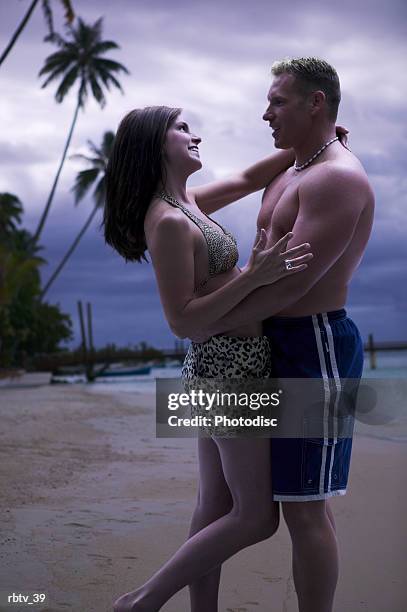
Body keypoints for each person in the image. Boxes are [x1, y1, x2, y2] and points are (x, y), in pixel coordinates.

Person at [182, 57, 375, 612]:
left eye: (278, 102)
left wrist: (205, 322)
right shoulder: (290, 168)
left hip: (311, 345)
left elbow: (295, 285)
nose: (266, 112)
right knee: (221, 498)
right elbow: (217, 192)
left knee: (305, 507)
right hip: (258, 344)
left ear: (316, 102)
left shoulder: (338, 178)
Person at [103, 105, 314, 611]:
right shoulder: (170, 221)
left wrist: (309, 141)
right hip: (228, 372)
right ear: (156, 144)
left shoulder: (187, 201)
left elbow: (246, 177)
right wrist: (254, 278)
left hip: (218, 371)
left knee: (214, 505)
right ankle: (141, 601)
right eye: (182, 129)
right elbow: (181, 320)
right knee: (256, 517)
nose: (194, 136)